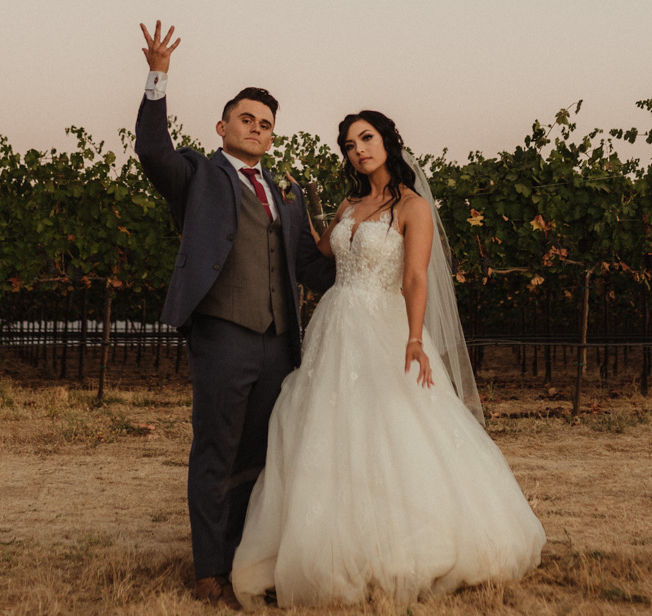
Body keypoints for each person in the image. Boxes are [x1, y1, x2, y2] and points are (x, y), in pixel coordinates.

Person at [230, 110, 546, 607]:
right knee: (325, 427)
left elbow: (415, 278)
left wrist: (415, 340)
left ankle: (403, 545)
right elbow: (319, 250)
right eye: (350, 144)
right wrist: (293, 205)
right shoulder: (349, 203)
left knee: (391, 425)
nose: (359, 149)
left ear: (388, 141)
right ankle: (320, 542)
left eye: (367, 138)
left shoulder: (412, 207)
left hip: (383, 323)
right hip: (336, 324)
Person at [133, 21, 337, 611]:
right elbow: (151, 150)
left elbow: (310, 269)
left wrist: (362, 242)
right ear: (222, 127)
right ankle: (208, 570)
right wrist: (157, 75)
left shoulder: (287, 192)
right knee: (215, 450)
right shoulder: (199, 175)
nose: (256, 128)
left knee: (261, 454)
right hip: (223, 333)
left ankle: (246, 562)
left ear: (273, 138)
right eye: (246, 119)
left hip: (279, 342)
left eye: (266, 123)